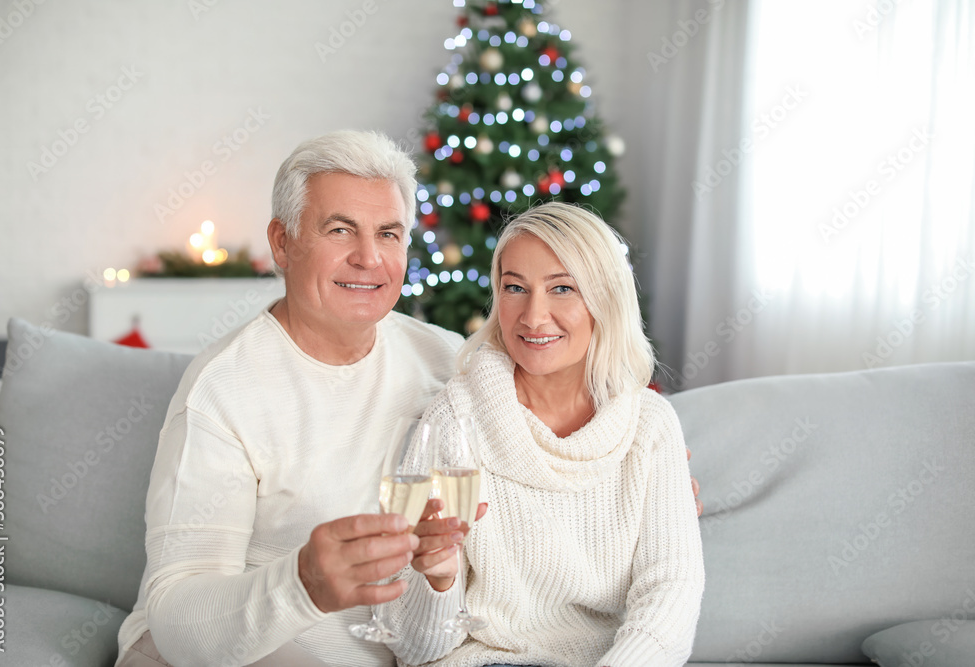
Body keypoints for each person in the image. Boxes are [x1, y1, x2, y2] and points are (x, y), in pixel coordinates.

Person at [116, 131, 701, 667]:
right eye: (340, 229)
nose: (369, 258)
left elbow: (559, 431)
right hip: (242, 651)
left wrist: (643, 494)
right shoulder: (225, 390)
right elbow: (178, 621)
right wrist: (300, 583)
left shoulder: (453, 363)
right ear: (283, 242)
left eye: (388, 234)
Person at [386, 202, 705, 667]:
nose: (533, 316)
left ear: (605, 300)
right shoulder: (456, 418)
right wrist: (439, 579)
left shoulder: (650, 426)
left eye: (562, 289)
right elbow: (414, 649)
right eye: (515, 287)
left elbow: (670, 589)